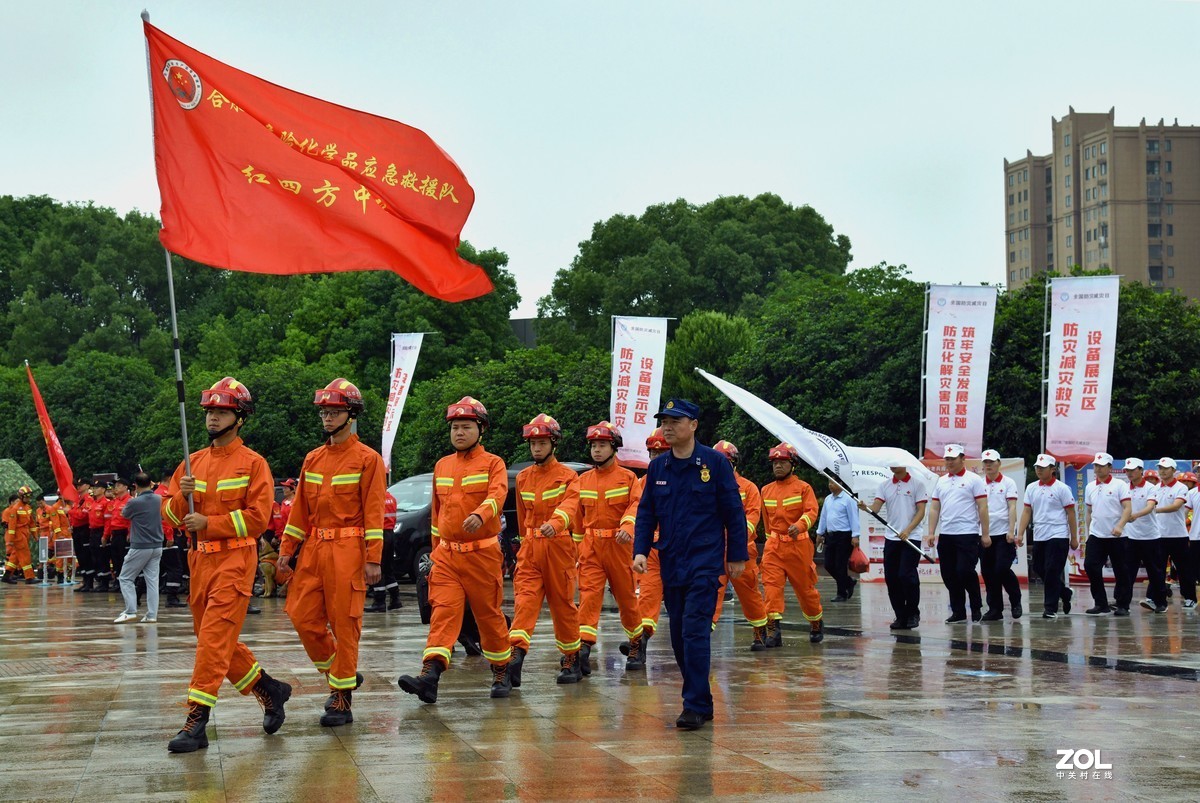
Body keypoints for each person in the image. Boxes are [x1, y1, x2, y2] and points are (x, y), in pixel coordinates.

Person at [162, 377, 290, 753]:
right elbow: (169, 513)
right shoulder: (192, 462)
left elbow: (258, 517)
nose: (213, 418)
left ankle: (196, 719)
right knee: (214, 641)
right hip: (199, 560)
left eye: (222, 412)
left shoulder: (253, 464)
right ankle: (268, 688)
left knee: (214, 640)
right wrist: (182, 500)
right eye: (210, 412)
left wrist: (211, 523)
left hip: (235, 558)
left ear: (239, 418)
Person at [632, 398, 747, 730]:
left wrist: (736, 555)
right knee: (680, 636)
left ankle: (693, 704)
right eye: (664, 422)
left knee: (695, 632)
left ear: (693, 425)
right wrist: (641, 550)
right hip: (671, 561)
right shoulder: (658, 468)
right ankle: (703, 699)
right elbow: (646, 513)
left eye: (675, 421)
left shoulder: (714, 463)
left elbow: (733, 512)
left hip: (706, 561)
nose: (667, 427)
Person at [278, 379, 386, 726]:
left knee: (345, 623)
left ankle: (341, 698)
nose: (327, 417)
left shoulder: (368, 459)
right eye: (324, 411)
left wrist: (373, 558)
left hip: (349, 549)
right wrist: (286, 549)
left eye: (334, 411)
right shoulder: (314, 458)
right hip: (314, 549)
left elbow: (373, 513)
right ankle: (342, 674)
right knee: (301, 616)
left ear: (351, 414)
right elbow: (299, 512)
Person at [397, 397, 511, 704]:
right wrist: (434, 555)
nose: (459, 432)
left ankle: (501, 668)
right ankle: (429, 677)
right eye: (455, 427)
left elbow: (497, 494)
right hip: (447, 556)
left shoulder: (493, 463)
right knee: (443, 613)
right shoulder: (442, 466)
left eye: (466, 427)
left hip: (482, 555)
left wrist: (481, 514)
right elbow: (437, 515)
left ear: (480, 430)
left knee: (488, 616)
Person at [506, 414, 584, 687]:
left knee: (563, 605)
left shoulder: (568, 476)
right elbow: (520, 512)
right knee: (524, 602)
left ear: (553, 443)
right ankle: (515, 657)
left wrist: (556, 522)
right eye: (533, 443)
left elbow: (571, 505)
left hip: (559, 546)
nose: (536, 448)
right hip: (530, 547)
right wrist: (520, 542)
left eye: (541, 443)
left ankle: (571, 658)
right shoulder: (524, 477)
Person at [574, 421, 644, 673]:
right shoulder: (583, 480)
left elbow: (637, 506)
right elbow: (577, 518)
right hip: (591, 547)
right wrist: (576, 550)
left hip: (619, 545)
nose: (596, 450)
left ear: (614, 447)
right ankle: (582, 650)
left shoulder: (628, 478)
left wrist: (627, 526)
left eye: (602, 445)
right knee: (588, 598)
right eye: (593, 445)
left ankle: (637, 643)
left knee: (626, 599)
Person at [759, 443, 824, 646]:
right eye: (775, 463)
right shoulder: (766, 490)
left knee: (806, 590)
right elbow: (766, 521)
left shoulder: (804, 488)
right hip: (774, 548)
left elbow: (811, 511)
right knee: (771, 588)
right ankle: (773, 631)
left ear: (793, 464)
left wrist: (800, 525)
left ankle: (815, 621)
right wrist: (771, 540)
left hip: (798, 547)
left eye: (782, 462)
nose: (777, 466)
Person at [710, 440, 770, 649]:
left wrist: (736, 541)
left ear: (734, 463)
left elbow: (752, 518)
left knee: (749, 594)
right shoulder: (706, 485)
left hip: (741, 551)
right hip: (713, 550)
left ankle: (760, 630)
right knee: (710, 593)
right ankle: (702, 635)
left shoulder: (748, 488)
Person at [925, 444, 990, 624]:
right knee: (949, 574)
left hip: (967, 534)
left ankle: (976, 606)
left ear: (963, 459)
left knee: (965, 571)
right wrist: (931, 532)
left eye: (953, 458)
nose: (949, 462)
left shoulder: (974, 480)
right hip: (946, 535)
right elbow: (935, 508)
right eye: (947, 459)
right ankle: (958, 611)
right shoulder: (942, 481)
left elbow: (983, 507)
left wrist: (985, 534)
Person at [619, 428, 670, 654]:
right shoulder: (642, 482)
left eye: (661, 453)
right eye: (652, 454)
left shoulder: (686, 478)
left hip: (680, 549)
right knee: (647, 598)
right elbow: (639, 514)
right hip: (652, 550)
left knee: (686, 602)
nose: (655, 458)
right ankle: (638, 647)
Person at [861, 461, 928, 630]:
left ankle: (913, 613)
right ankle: (900, 616)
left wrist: (908, 529)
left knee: (906, 575)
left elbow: (921, 511)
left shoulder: (917, 485)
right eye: (890, 463)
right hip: (892, 537)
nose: (893, 465)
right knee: (891, 578)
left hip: (911, 537)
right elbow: (875, 508)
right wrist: (865, 507)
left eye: (896, 463)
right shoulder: (884, 486)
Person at [1015, 454, 1078, 619]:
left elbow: (1071, 513)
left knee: (1052, 570)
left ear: (1052, 469)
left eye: (1042, 468)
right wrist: (1020, 533)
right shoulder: (1031, 488)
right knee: (1038, 568)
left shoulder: (1062, 488)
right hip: (1040, 535)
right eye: (1037, 467)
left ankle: (1050, 608)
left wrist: (1074, 537)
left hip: (1058, 534)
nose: (1039, 471)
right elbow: (1027, 511)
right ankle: (1064, 593)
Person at [1082, 452, 1132, 616]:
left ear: (1110, 467)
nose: (1097, 468)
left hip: (1118, 536)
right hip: (1097, 535)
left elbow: (1127, 508)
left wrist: (1120, 525)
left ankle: (1123, 604)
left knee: (1122, 570)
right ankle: (1100, 603)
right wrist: (1089, 531)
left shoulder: (1120, 485)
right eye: (1096, 465)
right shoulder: (1090, 486)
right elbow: (1089, 511)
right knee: (1090, 566)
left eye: (1101, 465)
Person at [113, 473, 166, 624]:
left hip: (140, 545)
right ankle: (151, 615)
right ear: (151, 483)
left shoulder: (134, 502)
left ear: (135, 486)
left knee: (125, 577)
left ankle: (130, 610)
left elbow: (124, 515)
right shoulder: (158, 499)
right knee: (152, 581)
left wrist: (134, 496)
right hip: (157, 545)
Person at [979, 449, 1023, 621]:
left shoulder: (1008, 482)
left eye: (991, 462)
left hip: (1003, 534)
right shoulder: (979, 484)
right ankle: (994, 609)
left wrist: (1011, 530)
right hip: (985, 534)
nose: (988, 465)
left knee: (1002, 568)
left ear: (999, 463)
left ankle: (1015, 600)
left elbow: (1012, 506)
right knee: (988, 572)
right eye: (985, 462)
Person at [1121, 458, 1166, 613]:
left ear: (1141, 470)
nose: (1129, 473)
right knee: (1128, 573)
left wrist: (1135, 515)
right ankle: (1123, 605)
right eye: (1127, 470)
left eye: (1132, 470)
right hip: (1130, 537)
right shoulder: (1124, 488)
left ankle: (1161, 602)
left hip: (1150, 537)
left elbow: (1150, 507)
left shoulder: (1150, 488)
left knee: (1155, 572)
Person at [1153, 458, 1194, 609]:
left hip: (1178, 535)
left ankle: (1190, 597)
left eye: (1166, 468)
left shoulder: (1180, 487)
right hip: (1158, 535)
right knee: (1158, 568)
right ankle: (1157, 598)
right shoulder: (1155, 488)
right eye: (1160, 468)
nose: (1162, 471)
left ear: (1173, 470)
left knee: (1183, 569)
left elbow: (1176, 506)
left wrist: (1154, 509)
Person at [815, 478, 860, 602]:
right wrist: (819, 533)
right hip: (831, 536)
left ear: (840, 483)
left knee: (840, 565)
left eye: (833, 483)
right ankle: (848, 582)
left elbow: (854, 518)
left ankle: (842, 593)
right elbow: (823, 517)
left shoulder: (848, 499)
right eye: (829, 482)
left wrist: (855, 535)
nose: (830, 485)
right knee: (829, 564)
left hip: (844, 536)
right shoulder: (828, 499)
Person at [366, 492, 401, 612]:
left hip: (379, 535)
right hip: (390, 534)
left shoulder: (376, 497)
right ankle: (396, 599)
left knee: (377, 566)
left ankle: (379, 602)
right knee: (388, 568)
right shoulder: (392, 498)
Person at [2, 486, 36, 584]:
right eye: (27, 496)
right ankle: (29, 577)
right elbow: (11, 527)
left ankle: (7, 575)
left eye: (30, 496)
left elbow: (32, 523)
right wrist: (11, 540)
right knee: (25, 556)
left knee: (15, 556)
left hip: (25, 534)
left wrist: (35, 535)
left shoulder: (28, 508)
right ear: (21, 496)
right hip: (18, 535)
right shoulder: (15, 509)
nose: (28, 498)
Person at [105, 478, 133, 589]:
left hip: (124, 532)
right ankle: (117, 580)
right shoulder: (115, 502)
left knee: (124, 558)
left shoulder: (130, 501)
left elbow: (131, 519)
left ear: (126, 487)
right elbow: (111, 519)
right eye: (116, 485)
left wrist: (130, 533)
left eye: (119, 485)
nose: (116, 487)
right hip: (115, 533)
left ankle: (125, 581)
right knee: (115, 558)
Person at [68, 480, 92, 591]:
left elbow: (83, 515)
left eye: (80, 485)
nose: (78, 487)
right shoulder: (77, 500)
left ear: (87, 486)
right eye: (77, 485)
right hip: (77, 530)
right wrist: (72, 524)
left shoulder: (88, 500)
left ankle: (89, 582)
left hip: (84, 529)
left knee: (86, 556)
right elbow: (74, 515)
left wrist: (70, 512)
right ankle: (85, 580)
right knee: (80, 556)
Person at [86, 483, 110, 592]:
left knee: (103, 558)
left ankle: (105, 583)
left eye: (97, 488)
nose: (94, 490)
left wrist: (105, 535)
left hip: (101, 532)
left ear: (103, 489)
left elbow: (107, 522)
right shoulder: (93, 503)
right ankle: (99, 580)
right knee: (94, 557)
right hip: (93, 532)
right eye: (93, 488)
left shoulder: (106, 503)